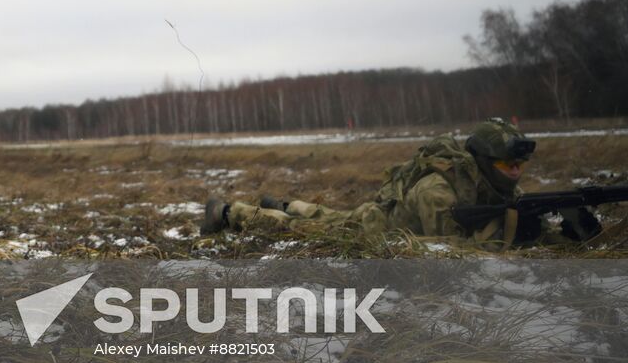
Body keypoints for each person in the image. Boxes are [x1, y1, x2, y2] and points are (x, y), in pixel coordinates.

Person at [199, 118, 594, 246]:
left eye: (520, 163)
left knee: (328, 214)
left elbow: (507, 224)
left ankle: (281, 202)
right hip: (376, 229)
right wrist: (515, 233)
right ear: (486, 161)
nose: (515, 171)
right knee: (305, 229)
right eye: (507, 162)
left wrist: (566, 234)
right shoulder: (437, 190)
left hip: (379, 216)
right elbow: (445, 251)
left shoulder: (497, 188)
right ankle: (230, 211)